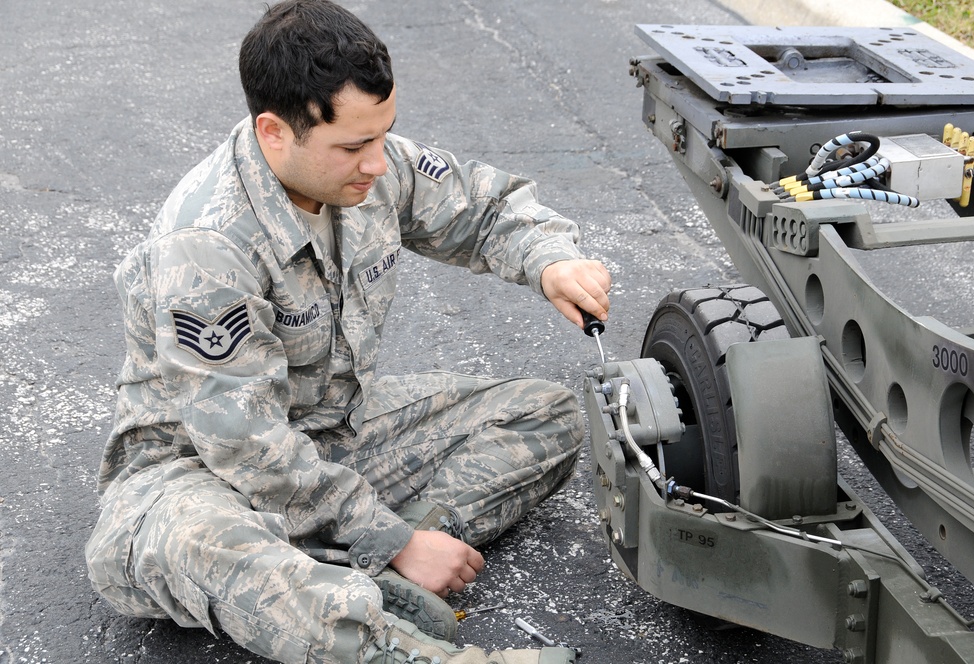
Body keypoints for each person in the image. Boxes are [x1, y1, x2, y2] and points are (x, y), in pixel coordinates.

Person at [85, 1, 611, 663]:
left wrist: (550, 258)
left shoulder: (367, 164)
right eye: (354, 146)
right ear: (274, 132)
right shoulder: (207, 244)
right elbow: (248, 447)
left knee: (545, 414)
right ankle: (408, 640)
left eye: (383, 136)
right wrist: (392, 537)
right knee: (214, 551)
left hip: (331, 435)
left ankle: (372, 571)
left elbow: (480, 207)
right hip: (201, 475)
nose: (378, 164)